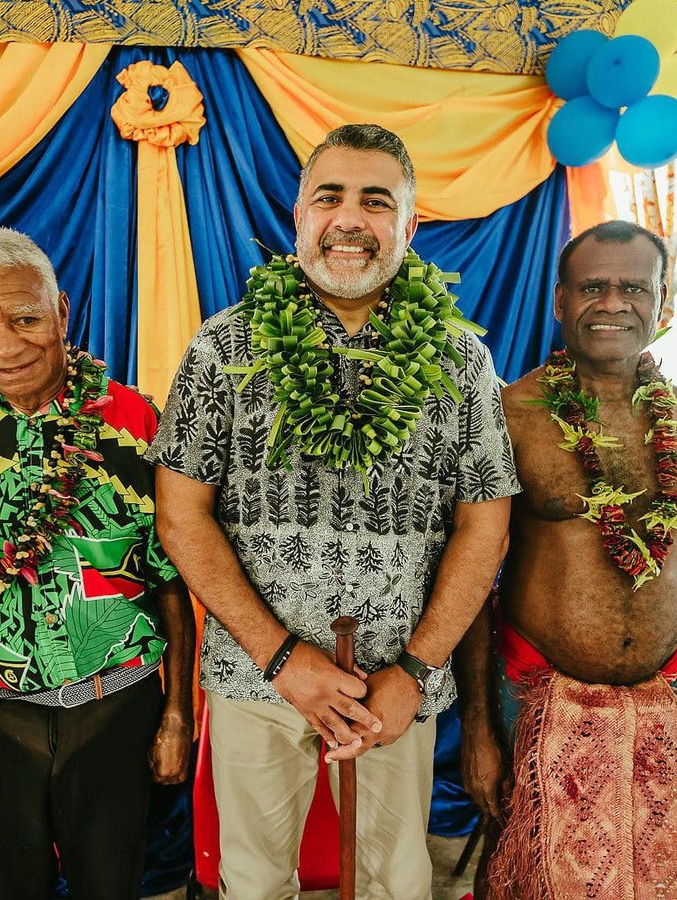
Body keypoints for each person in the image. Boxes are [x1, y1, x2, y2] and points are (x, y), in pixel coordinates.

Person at [151, 123, 516, 899]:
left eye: (376, 202)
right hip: (256, 677)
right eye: (330, 197)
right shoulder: (223, 348)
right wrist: (283, 658)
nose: (349, 219)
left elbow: (485, 526)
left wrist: (415, 672)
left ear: (409, 227)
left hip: (396, 685)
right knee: (253, 883)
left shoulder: (461, 362)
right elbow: (180, 516)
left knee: (396, 882)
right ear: (299, 216)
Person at [457, 220, 677, 899]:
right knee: (528, 873)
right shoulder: (508, 415)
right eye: (593, 287)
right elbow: (471, 580)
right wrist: (479, 730)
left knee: (665, 877)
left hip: (668, 694)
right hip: (532, 693)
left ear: (662, 302)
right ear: (560, 301)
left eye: (634, 288)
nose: (613, 303)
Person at [0, 227, 194, 899]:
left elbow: (173, 581)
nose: (7, 346)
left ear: (62, 311)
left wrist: (177, 714)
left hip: (115, 707)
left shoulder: (136, 421)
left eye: (26, 318)